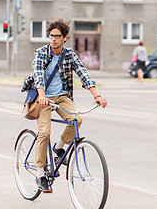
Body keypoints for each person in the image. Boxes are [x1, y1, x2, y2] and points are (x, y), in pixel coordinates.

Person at [23, 19, 107, 192]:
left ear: (65, 37)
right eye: (51, 35)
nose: (53, 39)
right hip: (43, 97)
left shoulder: (69, 55)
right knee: (45, 132)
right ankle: (40, 173)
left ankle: (59, 147)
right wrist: (42, 96)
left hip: (62, 96)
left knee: (77, 120)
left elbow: (83, 73)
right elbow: (38, 75)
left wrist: (97, 95)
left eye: (57, 36)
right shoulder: (40, 53)